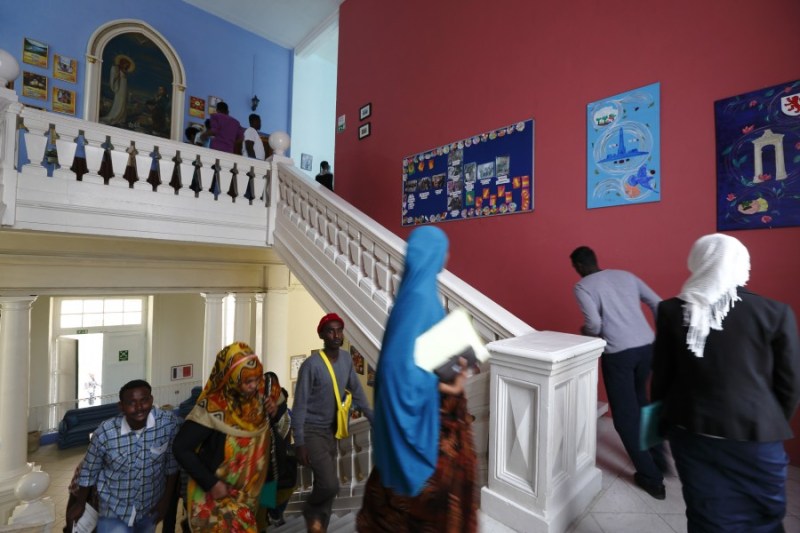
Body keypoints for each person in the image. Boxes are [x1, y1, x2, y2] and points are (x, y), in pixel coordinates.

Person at [652, 233, 800, 531]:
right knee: (765, 516)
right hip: (757, 435)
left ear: (698, 261)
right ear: (740, 263)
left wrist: (661, 427)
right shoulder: (774, 312)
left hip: (692, 431)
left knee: (706, 514)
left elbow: (662, 377)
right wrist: (767, 421)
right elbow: (789, 386)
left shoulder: (671, 310)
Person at [357, 226, 478, 532]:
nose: (448, 255)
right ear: (433, 254)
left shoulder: (414, 293)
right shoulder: (421, 299)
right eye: (444, 249)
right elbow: (399, 373)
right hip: (431, 428)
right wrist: (447, 385)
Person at [570, 245, 667, 499]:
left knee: (624, 417)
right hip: (647, 347)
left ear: (579, 266)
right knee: (643, 403)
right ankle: (660, 460)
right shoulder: (626, 275)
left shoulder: (582, 286)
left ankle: (651, 478)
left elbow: (594, 324)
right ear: (595, 259)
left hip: (619, 355)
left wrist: (585, 332)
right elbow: (657, 302)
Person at [172, 342, 274, 532]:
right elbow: (180, 448)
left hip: (250, 497)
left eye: (257, 379)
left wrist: (272, 413)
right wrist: (211, 483)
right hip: (219, 497)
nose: (254, 386)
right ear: (231, 379)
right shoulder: (212, 408)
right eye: (247, 382)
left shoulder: (260, 402)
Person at [293, 313, 373, 533]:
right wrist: (299, 441)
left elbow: (356, 389)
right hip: (312, 431)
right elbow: (299, 405)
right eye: (331, 331)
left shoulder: (347, 359)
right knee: (330, 484)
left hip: (332, 431)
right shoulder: (311, 365)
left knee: (324, 485)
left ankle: (320, 528)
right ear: (322, 334)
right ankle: (310, 510)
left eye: (339, 330)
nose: (336, 335)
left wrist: (371, 415)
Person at [66, 379, 179, 533]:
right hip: (114, 511)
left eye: (144, 400)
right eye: (132, 403)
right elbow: (88, 472)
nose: (139, 408)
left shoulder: (167, 424)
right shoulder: (105, 433)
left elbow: (171, 466)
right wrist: (79, 504)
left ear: (151, 400)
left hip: (149, 508)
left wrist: (165, 501)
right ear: (121, 406)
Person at [101, 54, 134, 126]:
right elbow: (114, 77)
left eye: (127, 65)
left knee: (123, 103)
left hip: (124, 88)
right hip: (119, 88)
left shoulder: (124, 71)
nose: (126, 66)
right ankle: (115, 116)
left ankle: (121, 118)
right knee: (119, 101)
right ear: (122, 62)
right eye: (126, 64)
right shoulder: (116, 69)